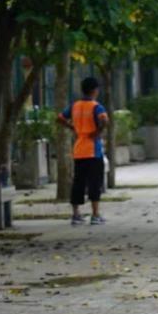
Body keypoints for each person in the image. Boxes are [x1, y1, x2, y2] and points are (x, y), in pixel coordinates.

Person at [58, 76, 110, 225]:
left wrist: (72, 127)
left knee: (78, 182)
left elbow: (60, 117)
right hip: (93, 151)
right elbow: (105, 120)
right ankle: (95, 214)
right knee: (95, 182)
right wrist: (98, 131)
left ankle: (76, 215)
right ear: (94, 90)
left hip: (79, 150)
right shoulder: (96, 106)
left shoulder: (74, 106)